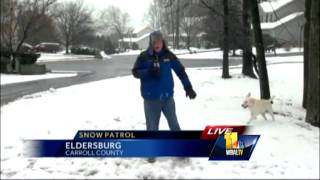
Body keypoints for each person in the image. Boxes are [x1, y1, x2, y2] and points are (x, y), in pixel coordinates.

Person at [132, 31, 197, 132]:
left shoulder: (169, 55)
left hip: (168, 99)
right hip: (151, 100)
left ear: (163, 42)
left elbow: (181, 72)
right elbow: (135, 72)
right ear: (151, 43)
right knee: (152, 129)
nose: (157, 44)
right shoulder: (144, 56)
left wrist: (188, 87)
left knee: (175, 126)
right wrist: (148, 72)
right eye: (154, 42)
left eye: (159, 42)